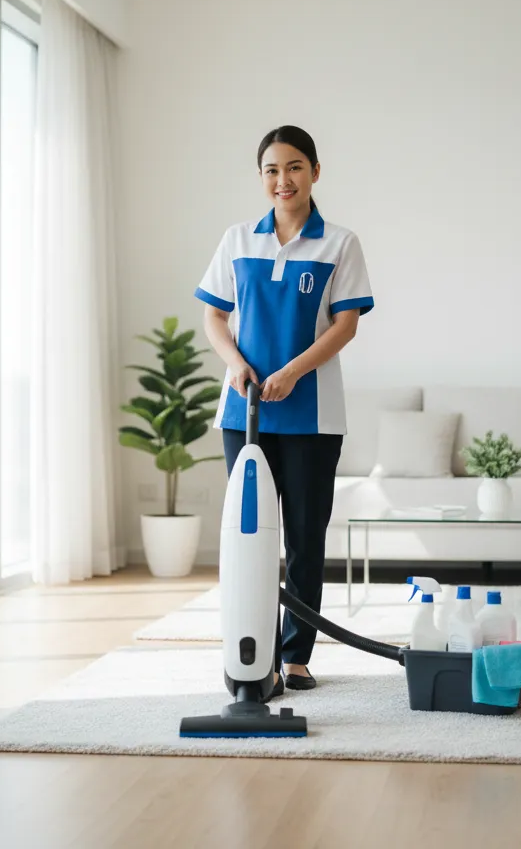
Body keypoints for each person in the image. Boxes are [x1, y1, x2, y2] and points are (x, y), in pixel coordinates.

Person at [195, 125, 374, 701]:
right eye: (272, 170)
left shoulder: (339, 244)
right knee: (249, 536)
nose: (283, 180)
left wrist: (293, 372)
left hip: (312, 416)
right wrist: (236, 364)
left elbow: (345, 325)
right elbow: (215, 319)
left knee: (303, 534)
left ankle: (295, 657)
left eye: (294, 167)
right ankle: (255, 653)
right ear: (262, 178)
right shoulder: (237, 239)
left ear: (315, 172)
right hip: (242, 409)